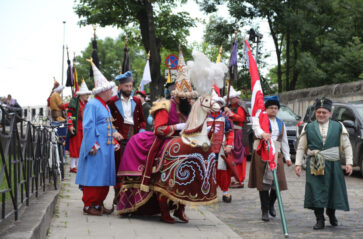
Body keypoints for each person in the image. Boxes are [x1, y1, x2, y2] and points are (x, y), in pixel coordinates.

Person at [117, 48, 198, 223]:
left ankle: (180, 208)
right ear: (177, 96)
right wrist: (178, 126)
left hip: (181, 143)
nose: (188, 100)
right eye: (185, 97)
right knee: (162, 172)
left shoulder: (188, 108)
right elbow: (159, 130)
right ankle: (163, 210)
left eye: (190, 97)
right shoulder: (165, 106)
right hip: (160, 141)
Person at [295, 97, 352, 230]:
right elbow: (301, 147)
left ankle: (331, 214)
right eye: (318, 112)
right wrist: (298, 164)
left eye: (324, 112)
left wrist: (349, 162)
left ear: (330, 113)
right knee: (316, 190)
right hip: (315, 164)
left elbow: (347, 146)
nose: (321, 114)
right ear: (315, 113)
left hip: (333, 163)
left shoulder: (338, 126)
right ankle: (319, 219)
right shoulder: (308, 127)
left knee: (333, 189)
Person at [76, 59, 122, 216]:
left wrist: (114, 138)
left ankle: (99, 203)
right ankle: (89, 205)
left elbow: (107, 125)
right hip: (97, 147)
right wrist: (92, 145)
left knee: (103, 176)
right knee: (94, 176)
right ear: (102, 91)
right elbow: (88, 127)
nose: (111, 92)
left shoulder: (105, 105)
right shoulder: (93, 105)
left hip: (106, 147)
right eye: (109, 90)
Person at [248, 95, 292, 222]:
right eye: (271, 108)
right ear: (266, 109)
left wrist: (287, 157)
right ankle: (265, 210)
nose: (273, 110)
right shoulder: (259, 120)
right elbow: (256, 130)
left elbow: (284, 141)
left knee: (278, 182)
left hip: (276, 153)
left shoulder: (280, 123)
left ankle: (271, 204)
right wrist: (263, 134)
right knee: (263, 184)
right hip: (262, 153)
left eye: (275, 108)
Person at [107, 71, 146, 204]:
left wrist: (141, 131)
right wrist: (113, 133)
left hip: (134, 137)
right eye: (126, 86)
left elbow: (142, 120)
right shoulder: (112, 102)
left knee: (132, 166)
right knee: (119, 167)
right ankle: (118, 197)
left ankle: (131, 197)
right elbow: (108, 121)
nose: (129, 89)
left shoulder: (136, 100)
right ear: (120, 86)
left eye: (130, 86)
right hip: (119, 137)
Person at [207, 94, 234, 203]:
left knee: (222, 170)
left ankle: (225, 192)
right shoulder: (204, 116)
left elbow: (230, 132)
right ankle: (209, 191)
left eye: (218, 104)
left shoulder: (224, 118)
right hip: (207, 147)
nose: (215, 105)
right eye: (213, 103)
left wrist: (229, 145)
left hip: (221, 147)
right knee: (208, 169)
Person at [224, 86, 247, 188]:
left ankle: (240, 179)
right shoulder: (229, 106)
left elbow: (241, 118)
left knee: (238, 156)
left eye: (233, 98)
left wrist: (230, 113)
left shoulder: (240, 107)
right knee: (231, 156)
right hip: (230, 133)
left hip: (238, 133)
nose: (231, 100)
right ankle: (234, 177)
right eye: (230, 98)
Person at [66, 80, 92, 173]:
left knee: (81, 146)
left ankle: (78, 165)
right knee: (75, 146)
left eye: (87, 94)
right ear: (81, 94)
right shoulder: (75, 102)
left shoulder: (86, 103)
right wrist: (71, 125)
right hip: (77, 127)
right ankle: (72, 166)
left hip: (84, 128)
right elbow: (70, 114)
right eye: (86, 94)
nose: (87, 95)